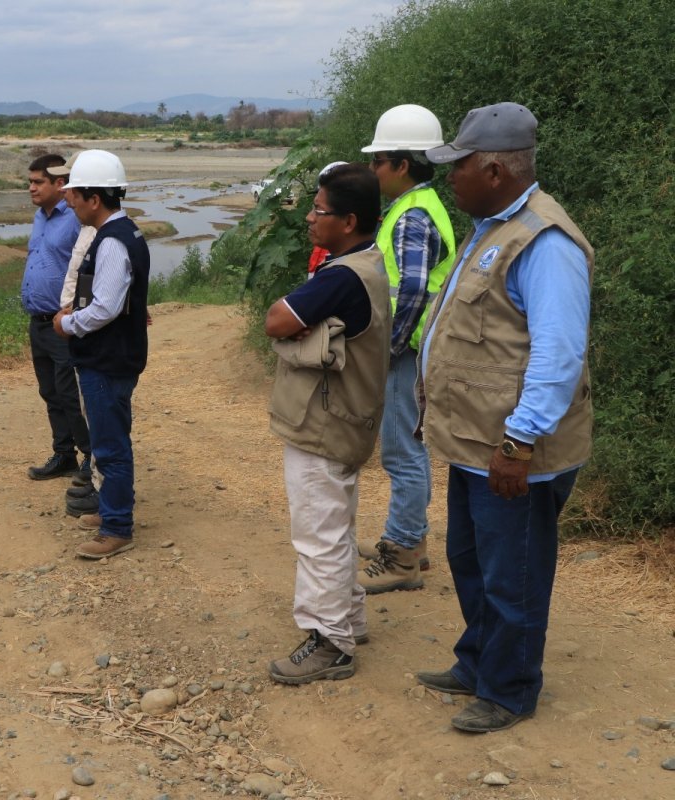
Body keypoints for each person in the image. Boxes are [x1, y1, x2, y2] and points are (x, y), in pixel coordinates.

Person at [415, 103, 593, 733]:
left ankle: (510, 689)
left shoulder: (544, 240)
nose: (449, 178)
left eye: (457, 166)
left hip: (514, 450)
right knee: (470, 560)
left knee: (512, 574)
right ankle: (478, 663)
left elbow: (558, 353)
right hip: (473, 441)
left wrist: (518, 443)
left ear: (492, 169)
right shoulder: (492, 226)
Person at [263, 163, 390, 684]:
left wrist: (294, 325)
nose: (311, 219)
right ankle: (350, 620)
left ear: (349, 219)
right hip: (344, 420)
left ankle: (331, 642)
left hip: (325, 425)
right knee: (335, 527)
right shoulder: (364, 263)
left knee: (318, 533)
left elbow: (276, 319)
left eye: (320, 210)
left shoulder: (341, 277)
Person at [356, 105, 456, 593]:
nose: (373, 171)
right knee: (405, 447)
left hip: (408, 349)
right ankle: (409, 541)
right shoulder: (419, 206)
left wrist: (391, 346)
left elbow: (412, 288)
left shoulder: (412, 215)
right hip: (415, 345)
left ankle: (402, 554)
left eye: (379, 162)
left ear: (401, 164)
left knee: (402, 452)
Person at [53, 150, 149, 559]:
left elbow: (106, 308)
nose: (69, 200)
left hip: (107, 360)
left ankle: (116, 527)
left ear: (95, 199)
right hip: (113, 357)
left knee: (110, 446)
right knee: (112, 439)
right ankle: (114, 510)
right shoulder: (126, 233)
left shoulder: (111, 241)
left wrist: (67, 324)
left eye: (74, 193)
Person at [21, 154, 91, 481]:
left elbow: (89, 268)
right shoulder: (39, 217)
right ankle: (64, 454)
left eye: (38, 182)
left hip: (64, 325)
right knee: (49, 391)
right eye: (31, 181)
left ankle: (92, 458)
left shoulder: (77, 217)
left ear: (59, 183)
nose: (31, 187)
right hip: (38, 322)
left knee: (70, 394)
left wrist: (77, 311)